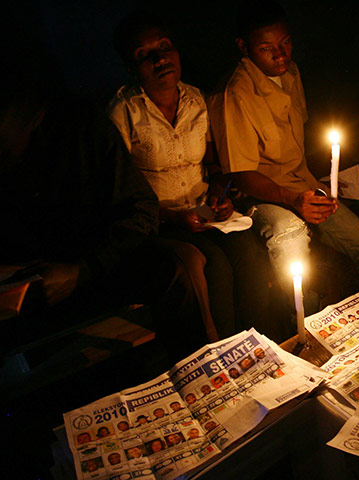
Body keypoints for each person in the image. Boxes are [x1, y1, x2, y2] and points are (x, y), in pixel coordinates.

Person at [0, 76, 216, 362]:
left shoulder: (80, 130)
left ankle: (207, 378)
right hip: (14, 286)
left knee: (182, 260)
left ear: (28, 113)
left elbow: (140, 207)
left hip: (93, 264)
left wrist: (82, 269)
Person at [208, 0, 359, 315]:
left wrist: (322, 188)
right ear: (243, 46)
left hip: (302, 185)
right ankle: (302, 334)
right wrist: (294, 201)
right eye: (267, 48)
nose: (281, 54)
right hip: (260, 196)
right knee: (291, 240)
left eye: (286, 42)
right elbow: (241, 174)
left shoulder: (291, 73)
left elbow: (298, 149)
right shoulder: (234, 95)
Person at [108, 10, 274, 339]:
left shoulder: (196, 100)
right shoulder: (124, 112)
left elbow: (214, 167)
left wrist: (219, 196)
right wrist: (173, 216)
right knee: (215, 264)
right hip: (158, 222)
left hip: (201, 212)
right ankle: (224, 356)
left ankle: (264, 343)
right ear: (131, 66)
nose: (160, 60)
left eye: (165, 47)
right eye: (145, 55)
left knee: (248, 252)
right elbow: (118, 194)